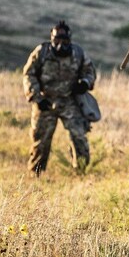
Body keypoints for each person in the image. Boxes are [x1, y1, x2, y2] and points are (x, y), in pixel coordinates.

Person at [22, 21, 97, 176]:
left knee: (79, 137)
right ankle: (36, 174)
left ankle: (81, 172)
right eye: (57, 40)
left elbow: (89, 72)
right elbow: (29, 75)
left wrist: (84, 83)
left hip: (69, 101)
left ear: (69, 39)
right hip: (45, 102)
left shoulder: (78, 53)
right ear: (51, 37)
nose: (60, 44)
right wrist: (37, 97)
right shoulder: (41, 52)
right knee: (41, 141)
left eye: (64, 41)